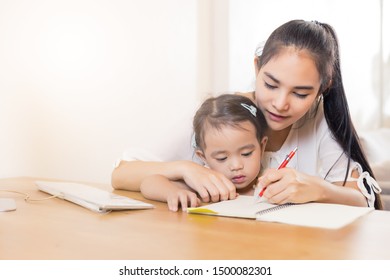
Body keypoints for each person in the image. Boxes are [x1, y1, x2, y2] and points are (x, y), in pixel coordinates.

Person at [112, 19, 382, 209]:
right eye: (271, 84)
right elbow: (121, 174)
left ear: (323, 88)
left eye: (300, 94)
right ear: (257, 68)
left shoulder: (319, 119)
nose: (280, 103)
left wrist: (317, 189)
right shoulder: (220, 116)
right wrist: (186, 168)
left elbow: (363, 198)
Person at [140, 94, 268, 211]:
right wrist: (172, 193)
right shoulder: (205, 183)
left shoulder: (268, 180)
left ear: (262, 147)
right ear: (203, 157)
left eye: (246, 153)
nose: (236, 166)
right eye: (222, 158)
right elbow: (148, 183)